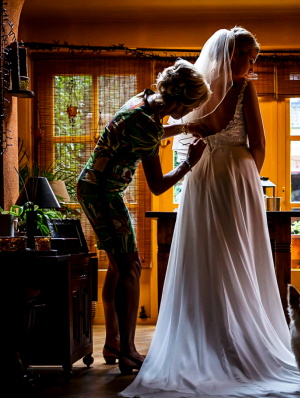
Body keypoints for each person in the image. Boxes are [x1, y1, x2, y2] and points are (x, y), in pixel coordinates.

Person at [121, 28, 300, 398]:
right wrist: (246, 174)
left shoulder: (228, 88)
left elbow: (232, 136)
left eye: (254, 60)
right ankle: (212, 340)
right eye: (248, 58)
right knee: (210, 258)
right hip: (216, 174)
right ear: (231, 55)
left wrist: (247, 182)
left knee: (231, 255)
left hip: (217, 175)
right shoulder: (218, 89)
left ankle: (233, 339)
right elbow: (253, 141)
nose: (252, 67)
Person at [77, 59, 211, 374]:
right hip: (103, 193)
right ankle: (128, 351)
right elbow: (158, 185)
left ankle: (113, 342)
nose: (187, 113)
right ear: (180, 101)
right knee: (132, 266)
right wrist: (189, 162)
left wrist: (184, 127)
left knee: (118, 265)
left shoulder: (143, 100)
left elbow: (149, 130)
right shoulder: (147, 125)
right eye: (189, 108)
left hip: (94, 186)